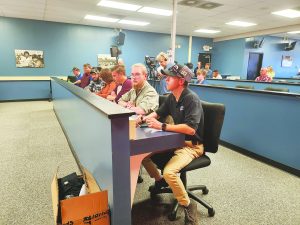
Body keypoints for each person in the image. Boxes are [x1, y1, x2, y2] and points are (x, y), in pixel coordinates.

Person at [137, 64, 204, 225]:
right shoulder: (172, 97)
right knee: (142, 155)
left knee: (170, 172)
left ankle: (188, 205)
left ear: (181, 81)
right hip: (175, 141)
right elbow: (159, 113)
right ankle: (160, 181)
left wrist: (162, 126)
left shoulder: (191, 98)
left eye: (169, 77)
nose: (166, 79)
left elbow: (189, 129)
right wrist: (143, 119)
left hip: (191, 145)